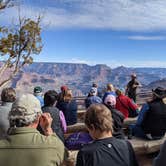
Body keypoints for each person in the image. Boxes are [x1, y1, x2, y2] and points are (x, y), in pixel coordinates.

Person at [0, 94, 66, 166]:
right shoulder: (54, 146)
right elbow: (66, 158)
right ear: (38, 117)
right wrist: (48, 130)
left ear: (11, 116)